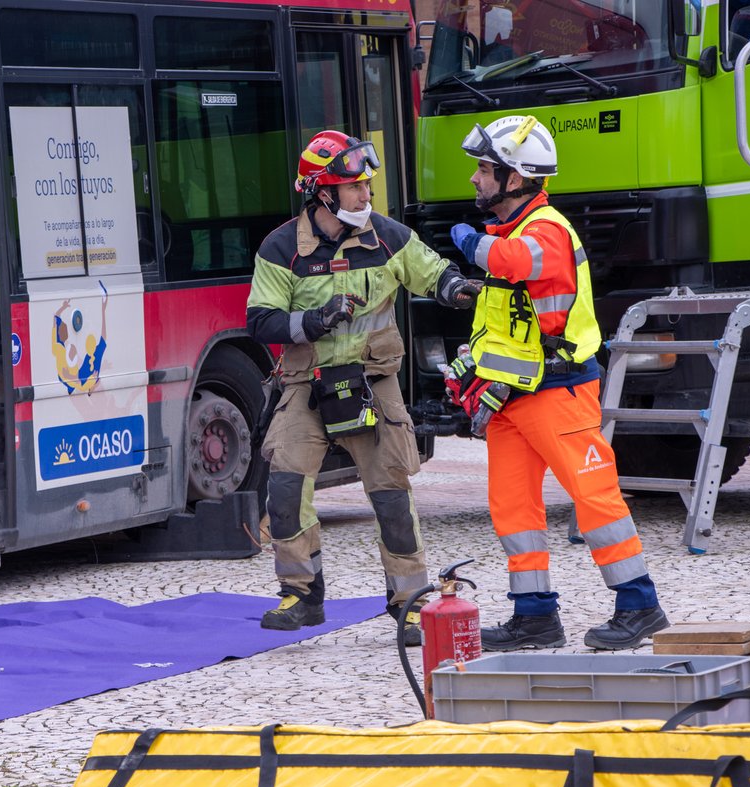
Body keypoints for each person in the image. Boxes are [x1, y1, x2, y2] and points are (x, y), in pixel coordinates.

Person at [247, 130, 481, 641]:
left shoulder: (389, 236)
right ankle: (301, 595)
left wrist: (457, 287)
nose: (366, 195)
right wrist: (312, 321)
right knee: (285, 488)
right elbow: (261, 321)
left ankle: (410, 602)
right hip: (308, 386)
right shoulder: (282, 247)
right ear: (322, 193)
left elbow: (432, 272)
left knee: (392, 495)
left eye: (367, 186)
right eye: (354, 187)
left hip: (374, 383)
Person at [447, 115, 670, 651]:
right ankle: (534, 616)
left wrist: (467, 242)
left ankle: (641, 606)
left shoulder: (543, 231)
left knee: (595, 500)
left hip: (559, 391)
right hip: (511, 396)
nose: (475, 179)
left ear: (516, 177)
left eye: (485, 169)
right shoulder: (514, 229)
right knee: (513, 507)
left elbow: (512, 263)